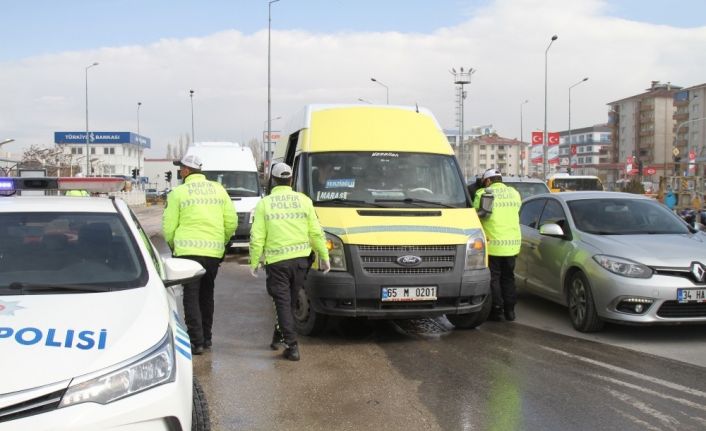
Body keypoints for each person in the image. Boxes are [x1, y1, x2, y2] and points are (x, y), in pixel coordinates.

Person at [249, 162, 331, 361]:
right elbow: (316, 232)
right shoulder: (304, 200)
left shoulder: (265, 204)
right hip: (301, 262)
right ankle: (279, 335)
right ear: (291, 179)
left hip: (277, 263)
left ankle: (292, 345)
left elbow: (257, 236)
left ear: (274, 181)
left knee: (283, 303)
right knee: (289, 301)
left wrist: (254, 261)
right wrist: (324, 256)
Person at [162, 154, 237, 355]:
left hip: (187, 253)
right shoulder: (219, 190)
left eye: (181, 168)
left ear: (187, 171)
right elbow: (231, 222)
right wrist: (222, 242)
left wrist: (173, 245)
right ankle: (208, 337)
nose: (179, 172)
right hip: (213, 252)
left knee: (191, 296)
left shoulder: (178, 193)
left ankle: (197, 342)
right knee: (207, 294)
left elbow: (169, 227)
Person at [473, 168, 522, 322]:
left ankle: (497, 309)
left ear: (487, 181)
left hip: (493, 244)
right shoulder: (514, 193)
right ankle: (510, 311)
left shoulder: (483, 193)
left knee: (494, 278)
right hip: (512, 244)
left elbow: (475, 216)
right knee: (508, 277)